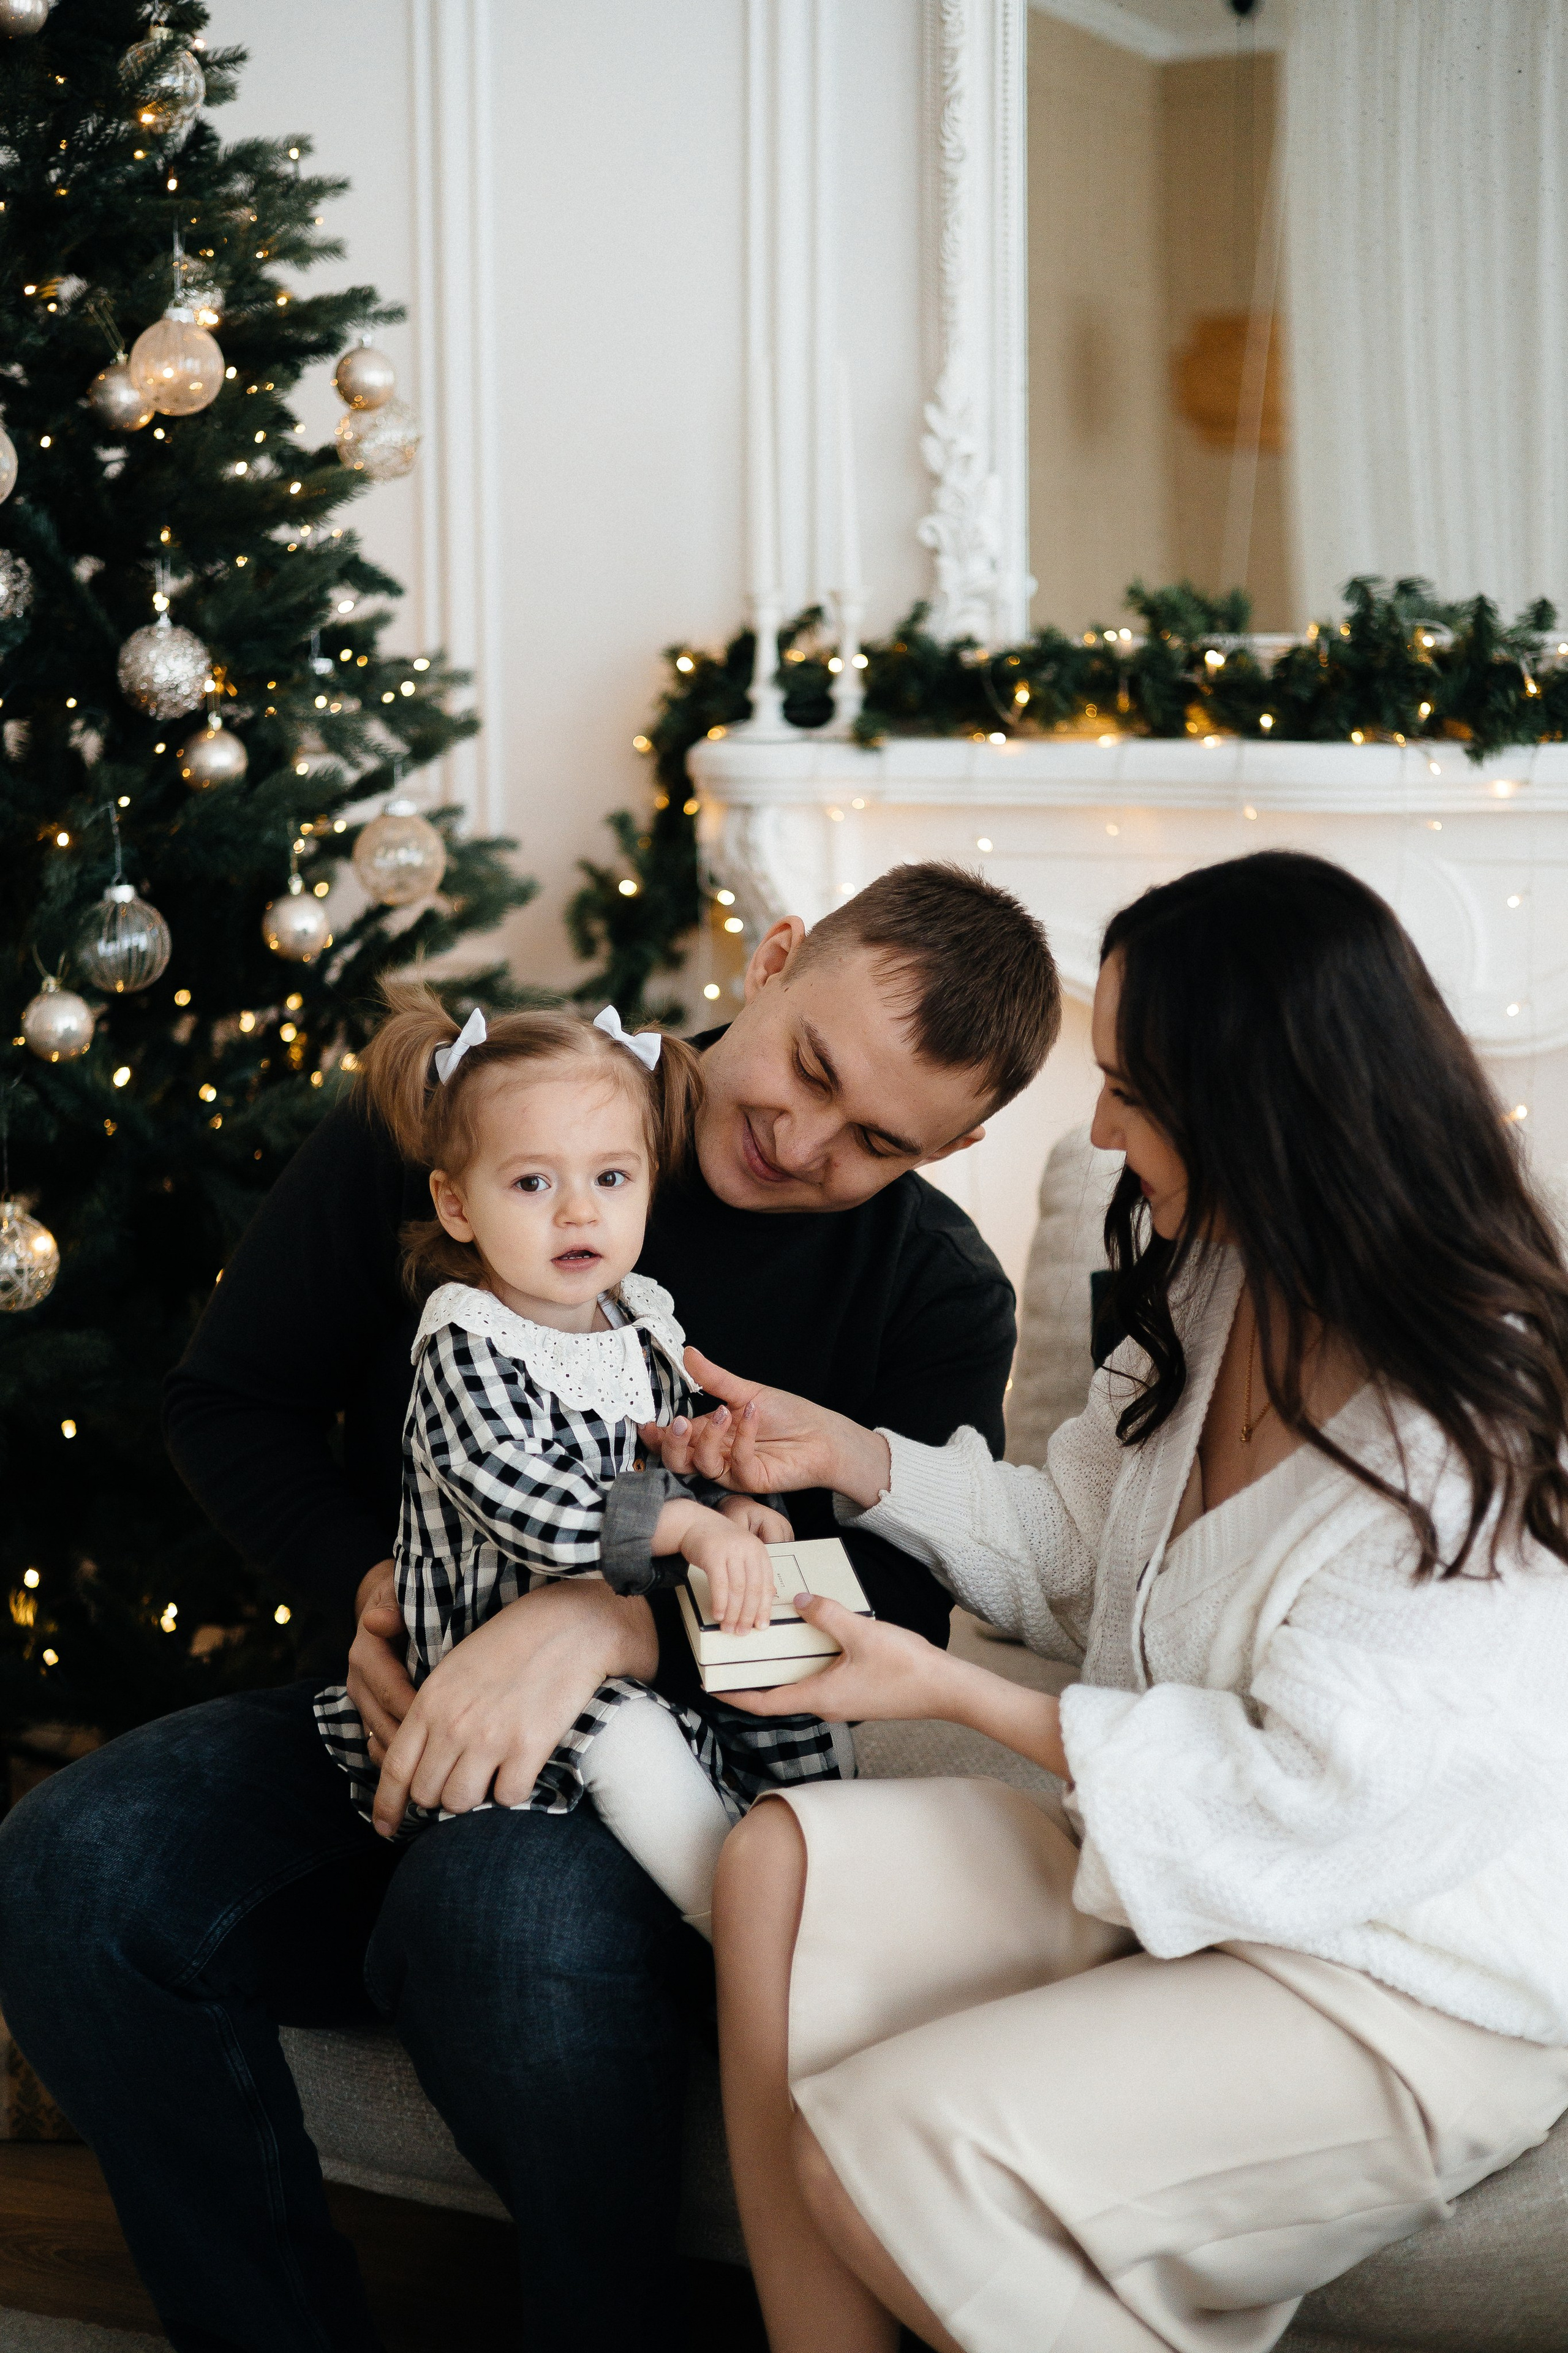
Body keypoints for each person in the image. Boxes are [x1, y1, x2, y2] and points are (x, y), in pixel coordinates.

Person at [0, 862, 1060, 2353]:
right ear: (773, 957)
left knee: (500, 1912)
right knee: (69, 1868)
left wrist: (599, 1624)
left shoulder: (934, 1291)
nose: (799, 1138)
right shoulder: (486, 1107)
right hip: (379, 1723)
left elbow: (890, 1611)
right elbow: (229, 1400)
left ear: (960, 1143)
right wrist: (378, 1589)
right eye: (809, 1066)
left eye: (877, 1140)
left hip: (663, 1794)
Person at [656, 852, 1568, 2353]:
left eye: (1129, 1088)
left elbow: (1317, 1798)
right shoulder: (1210, 1290)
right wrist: (850, 1455)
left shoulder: (1472, 1422)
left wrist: (951, 1692)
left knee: (878, 2155)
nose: (1096, 1126)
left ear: (1255, 1105)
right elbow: (1079, 1552)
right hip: (1177, 1887)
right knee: (779, 1863)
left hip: (1397, 1975)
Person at [317, 985, 842, 1938]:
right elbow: (523, 1495)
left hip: (635, 1628)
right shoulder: (464, 1340)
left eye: (611, 1179)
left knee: (791, 1667)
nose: (576, 1214)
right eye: (532, 1183)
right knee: (633, 1744)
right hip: (497, 1658)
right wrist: (682, 1522)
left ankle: (831, 1871)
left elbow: (673, 1445)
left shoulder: (641, 1315)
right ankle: (742, 1932)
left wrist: (725, 1495)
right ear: (456, 1202)